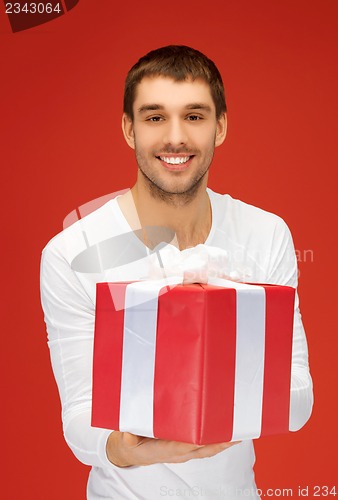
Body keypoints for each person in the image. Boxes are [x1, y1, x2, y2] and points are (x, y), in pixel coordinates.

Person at [40, 45, 313, 499]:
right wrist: (132, 449)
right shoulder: (73, 253)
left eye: (194, 116)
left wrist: (226, 386)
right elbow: (80, 418)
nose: (175, 137)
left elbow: (299, 395)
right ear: (129, 129)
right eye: (153, 117)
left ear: (220, 126)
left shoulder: (266, 234)